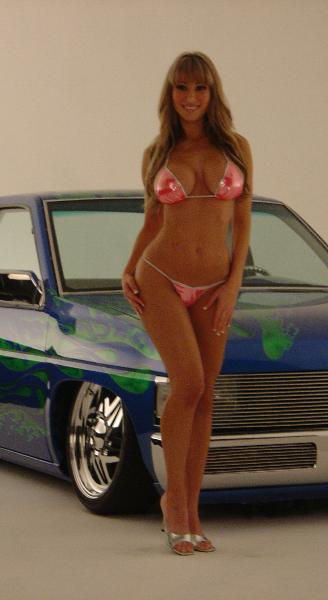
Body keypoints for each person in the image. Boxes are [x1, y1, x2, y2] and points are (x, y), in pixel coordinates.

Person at [121, 51, 253, 555]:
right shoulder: (157, 152)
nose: (191, 97)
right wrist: (128, 267)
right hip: (159, 278)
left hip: (216, 285)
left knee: (205, 395)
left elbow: (243, 219)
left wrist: (234, 283)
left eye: (200, 88)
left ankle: (193, 513)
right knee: (189, 384)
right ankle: (173, 503)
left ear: (212, 93)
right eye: (181, 87)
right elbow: (153, 222)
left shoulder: (236, 147)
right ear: (170, 94)